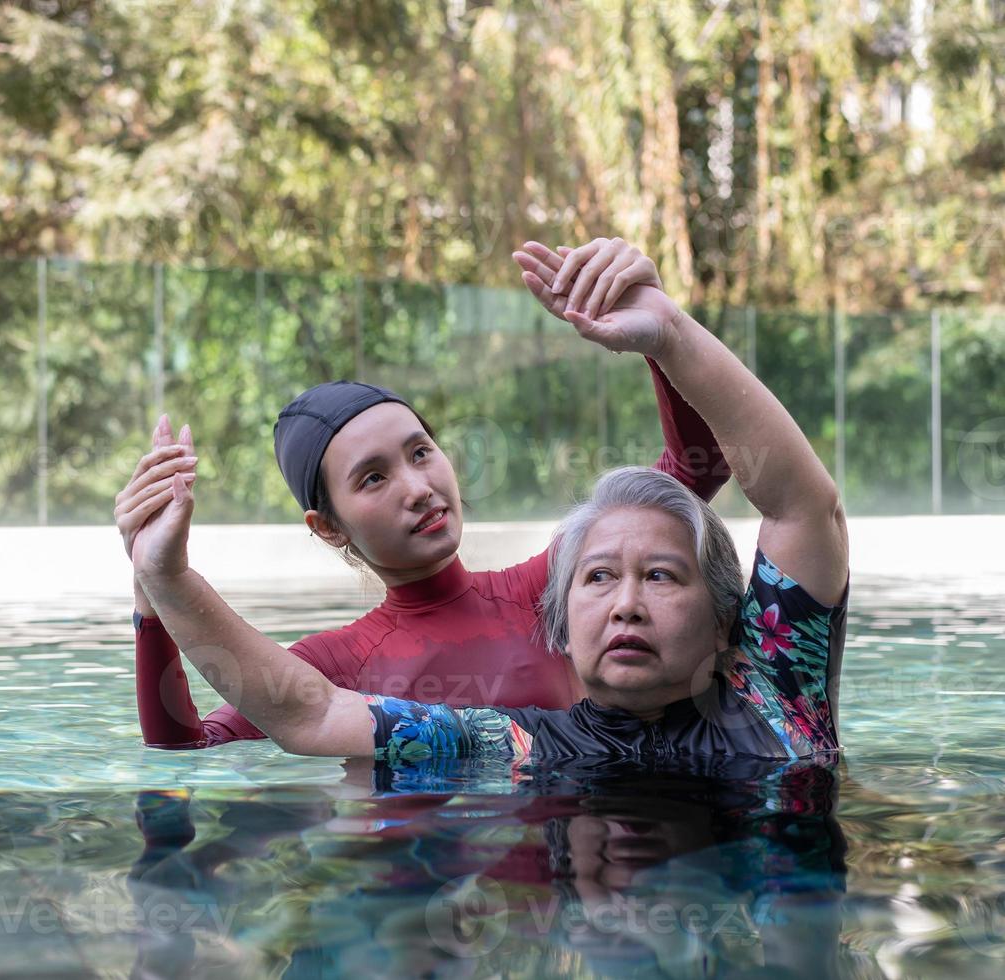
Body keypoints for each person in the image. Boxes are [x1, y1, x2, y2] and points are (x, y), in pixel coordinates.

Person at [130, 238, 850, 768]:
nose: (417, 486)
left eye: (421, 451)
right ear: (326, 527)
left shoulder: (767, 700)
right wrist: (155, 588)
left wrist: (665, 335)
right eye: (373, 479)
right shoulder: (513, 734)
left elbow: (726, 486)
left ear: (729, 623)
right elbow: (254, 726)